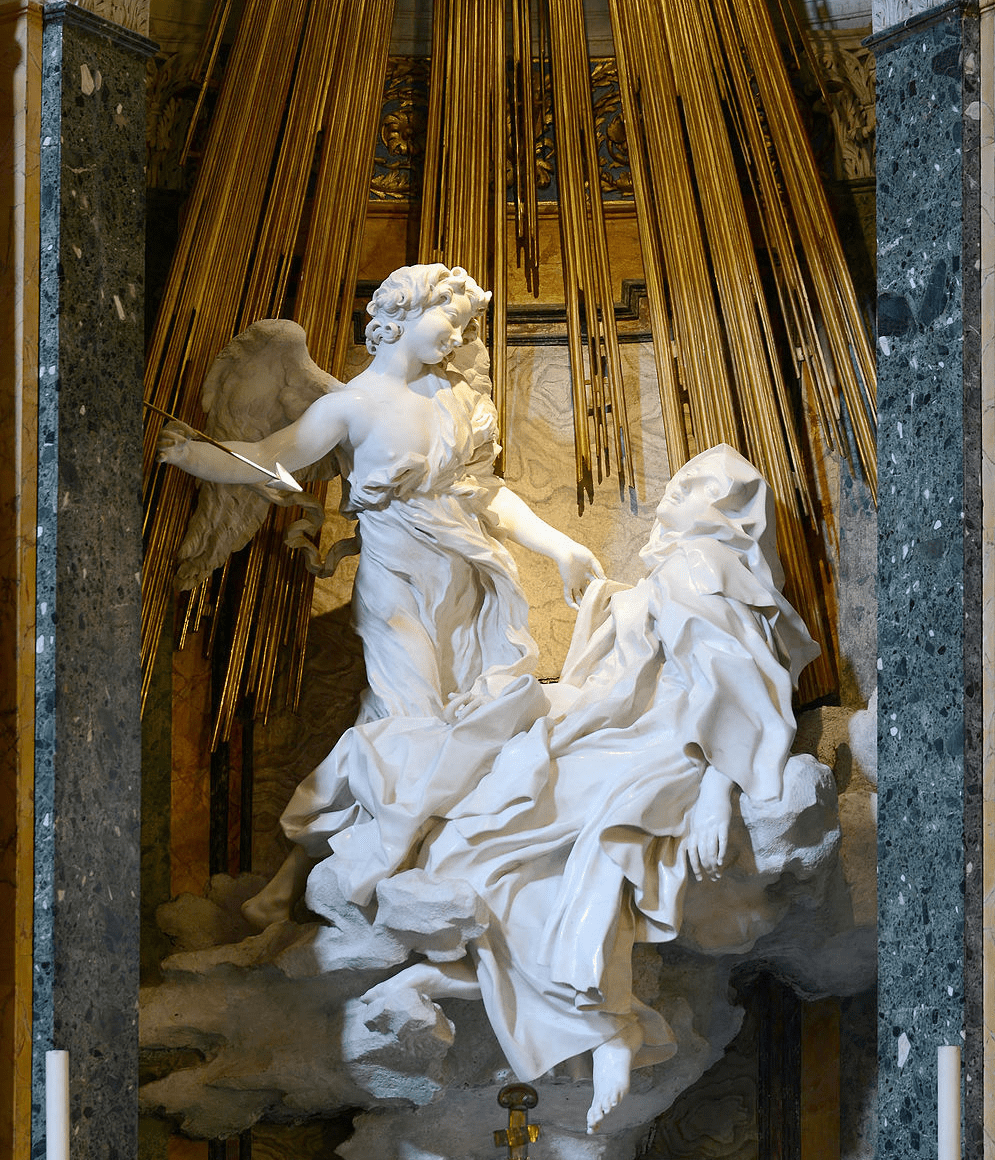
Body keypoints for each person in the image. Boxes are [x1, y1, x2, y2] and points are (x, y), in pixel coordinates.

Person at [278, 444, 819, 1133]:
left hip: (656, 743)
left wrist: (717, 788)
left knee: (520, 839)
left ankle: (606, 1022)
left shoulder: (701, 566)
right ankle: (570, 1013)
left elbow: (735, 687)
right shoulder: (679, 574)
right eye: (677, 485)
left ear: (722, 513)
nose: (669, 499)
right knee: (480, 836)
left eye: (688, 491)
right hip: (613, 728)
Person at [158, 263, 604, 922]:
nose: (458, 338)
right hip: (396, 587)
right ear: (400, 314)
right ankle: (375, 888)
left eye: (465, 328)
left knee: (445, 733)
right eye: (449, 321)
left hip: (471, 586)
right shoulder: (350, 406)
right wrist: (195, 457)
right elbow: (273, 455)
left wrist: (561, 547)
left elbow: (488, 497)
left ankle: (308, 885)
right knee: (410, 729)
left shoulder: (458, 402)